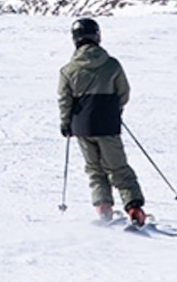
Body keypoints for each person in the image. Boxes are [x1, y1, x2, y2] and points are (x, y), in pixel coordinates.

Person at [59, 16, 145, 227]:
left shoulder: (68, 70)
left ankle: (103, 209)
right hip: (107, 124)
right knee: (118, 168)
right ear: (97, 36)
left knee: (94, 170)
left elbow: (64, 100)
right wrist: (113, 109)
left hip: (82, 127)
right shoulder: (112, 65)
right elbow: (123, 93)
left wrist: (66, 124)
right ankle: (134, 209)